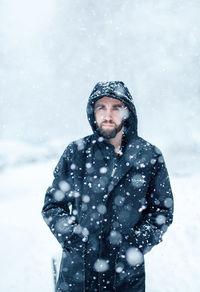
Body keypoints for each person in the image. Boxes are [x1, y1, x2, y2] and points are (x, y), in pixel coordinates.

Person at [42, 81, 174, 292]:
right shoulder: (76, 152)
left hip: (126, 275)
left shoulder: (148, 156)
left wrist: (136, 242)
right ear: (92, 112)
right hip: (78, 274)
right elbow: (53, 206)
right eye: (101, 107)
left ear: (127, 112)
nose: (108, 114)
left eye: (116, 107)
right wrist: (73, 236)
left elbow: (162, 211)